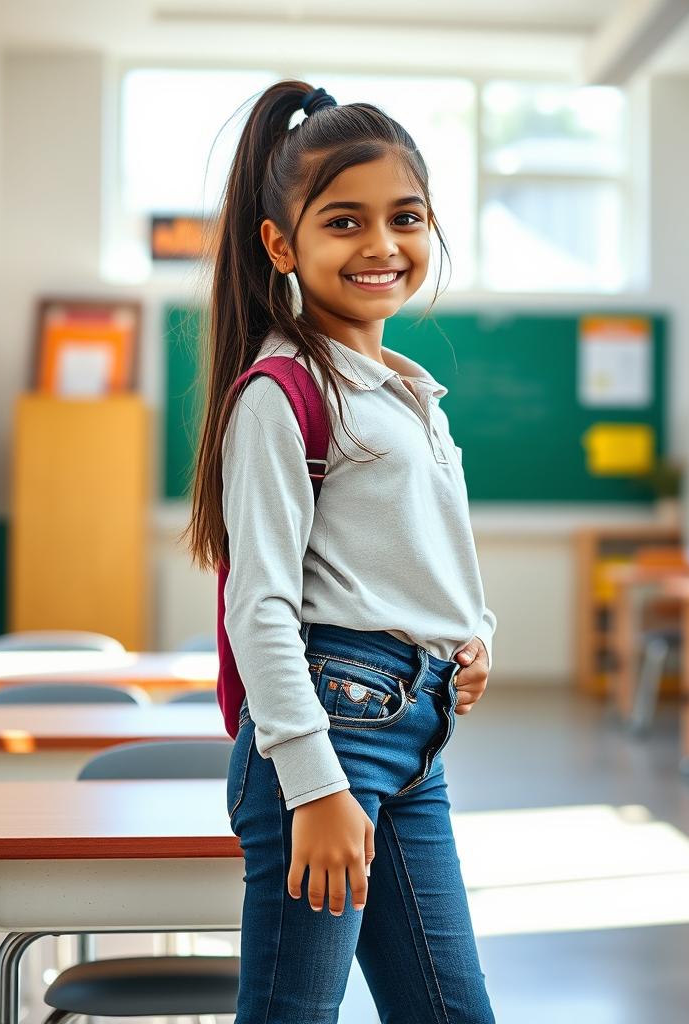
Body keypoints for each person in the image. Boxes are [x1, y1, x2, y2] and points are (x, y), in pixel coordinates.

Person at [181, 79, 497, 1023]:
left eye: (405, 217)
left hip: (414, 734)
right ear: (282, 245)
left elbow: (413, 551)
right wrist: (313, 786)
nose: (381, 245)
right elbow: (262, 608)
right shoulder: (283, 392)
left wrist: (468, 637)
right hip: (327, 741)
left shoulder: (402, 388)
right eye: (344, 221)